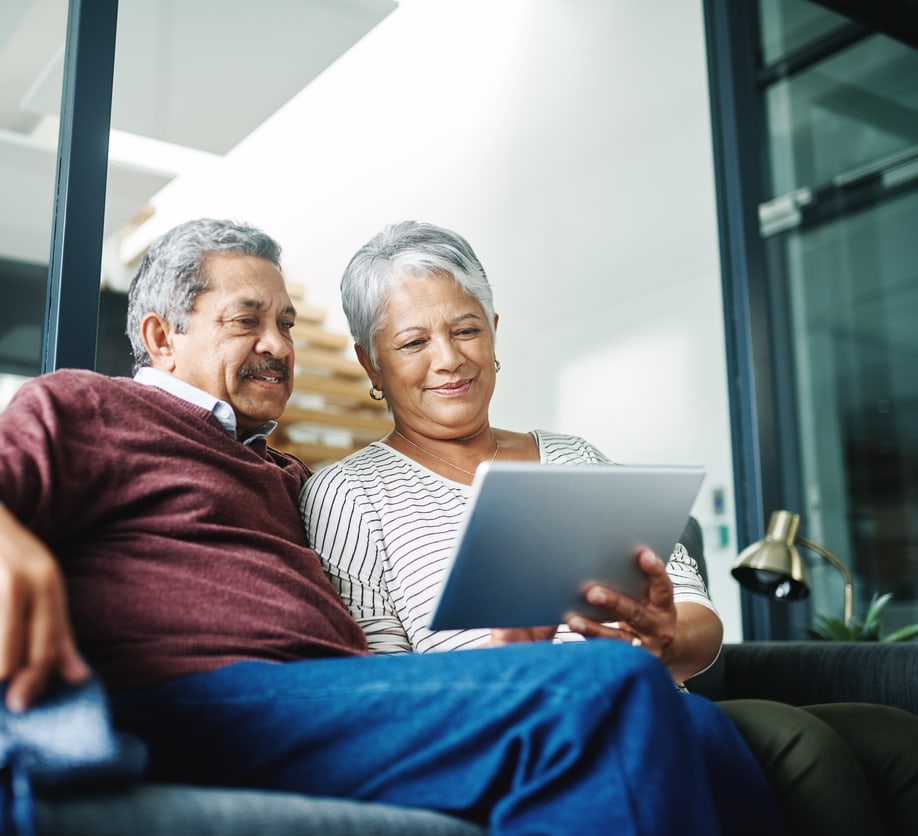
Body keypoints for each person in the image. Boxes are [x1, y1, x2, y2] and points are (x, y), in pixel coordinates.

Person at [0, 217, 785, 834]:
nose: (280, 347)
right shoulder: (89, 407)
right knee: (613, 687)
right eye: (248, 319)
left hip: (330, 700)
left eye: (289, 324)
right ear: (161, 336)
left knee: (673, 719)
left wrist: (506, 651)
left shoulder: (277, 472)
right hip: (197, 698)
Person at [300, 219, 918, 836]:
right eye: (413, 343)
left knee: (893, 736)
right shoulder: (348, 493)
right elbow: (378, 687)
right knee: (801, 745)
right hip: (528, 733)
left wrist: (662, 639)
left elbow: (700, 626)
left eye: (466, 329)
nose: (450, 359)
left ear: (493, 333)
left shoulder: (574, 458)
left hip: (649, 701)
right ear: (370, 363)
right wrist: (505, 665)